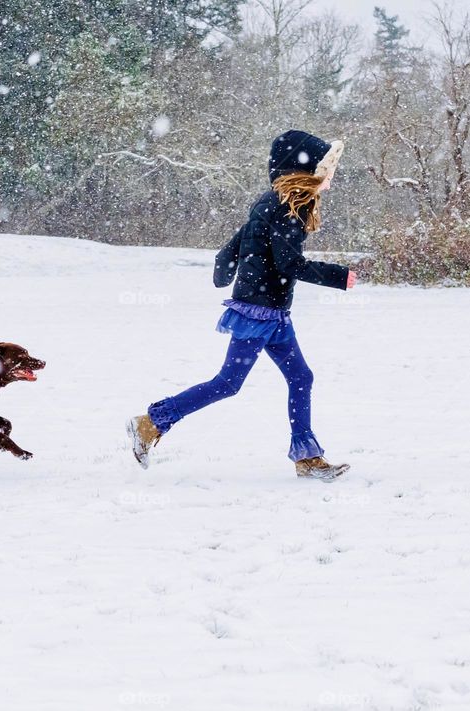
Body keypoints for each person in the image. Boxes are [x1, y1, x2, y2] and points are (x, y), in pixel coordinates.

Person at [127, 129, 357, 481]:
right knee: (228, 383)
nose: (329, 182)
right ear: (304, 174)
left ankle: (307, 456)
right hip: (260, 314)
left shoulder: (268, 203)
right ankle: (152, 421)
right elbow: (288, 264)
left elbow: (232, 248)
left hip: (270, 312)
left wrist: (225, 272)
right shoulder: (287, 210)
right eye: (325, 174)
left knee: (300, 377)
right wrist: (339, 277)